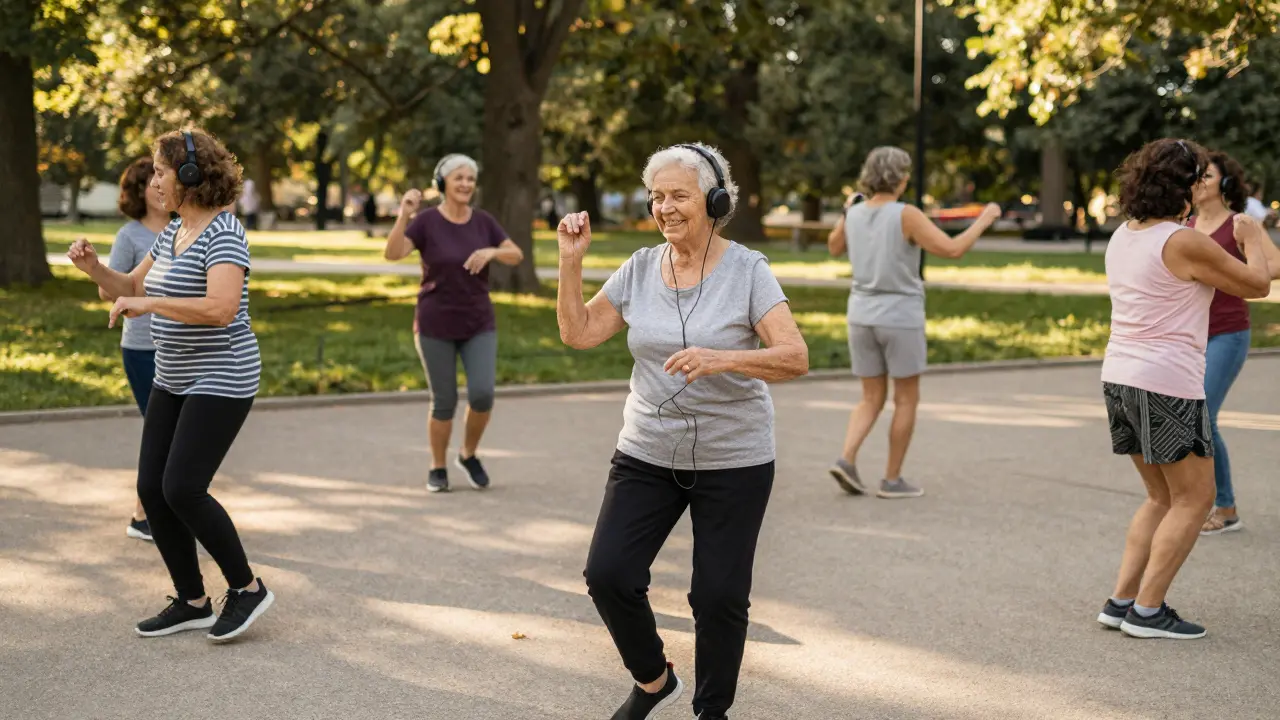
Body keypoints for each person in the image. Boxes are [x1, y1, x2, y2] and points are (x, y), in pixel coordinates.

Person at [557, 142, 809, 720]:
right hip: (647, 450)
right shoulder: (640, 268)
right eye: (657, 197)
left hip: (734, 459)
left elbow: (794, 356)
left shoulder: (748, 271)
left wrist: (723, 359)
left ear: (714, 201)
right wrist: (571, 262)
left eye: (679, 196)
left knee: (718, 597)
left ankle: (711, 713)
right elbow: (579, 333)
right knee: (609, 574)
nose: (665, 208)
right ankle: (653, 680)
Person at [66, 129, 274, 643]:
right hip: (174, 375)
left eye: (160, 170)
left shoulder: (224, 233)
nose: (153, 179)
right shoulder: (172, 232)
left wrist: (151, 305)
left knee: (182, 486)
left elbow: (222, 309)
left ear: (187, 176)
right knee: (151, 490)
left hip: (223, 375)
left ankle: (247, 589)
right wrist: (95, 269)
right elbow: (132, 287)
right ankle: (192, 600)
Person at [1094, 138, 1271, 640]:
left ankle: (1121, 601)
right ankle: (1148, 612)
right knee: (1195, 498)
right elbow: (1257, 284)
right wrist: (1253, 237)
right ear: (1188, 187)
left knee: (1159, 497)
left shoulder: (1124, 235)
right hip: (1166, 381)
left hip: (1121, 377)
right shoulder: (1183, 240)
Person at [824, 146, 1000, 499]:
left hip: (860, 315)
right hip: (899, 317)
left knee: (870, 398)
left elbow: (833, 247)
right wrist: (985, 218)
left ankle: (846, 458)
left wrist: (846, 214)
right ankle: (891, 479)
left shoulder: (854, 212)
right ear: (901, 179)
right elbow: (951, 249)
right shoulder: (906, 214)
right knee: (905, 399)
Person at [383, 154, 524, 493]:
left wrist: (491, 252)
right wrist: (404, 214)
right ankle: (437, 466)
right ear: (442, 182)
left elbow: (516, 254)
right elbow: (393, 253)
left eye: (470, 179)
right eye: (458, 177)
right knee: (444, 401)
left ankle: (468, 454)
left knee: (482, 394)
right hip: (435, 323)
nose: (465, 184)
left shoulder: (484, 222)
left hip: (478, 322)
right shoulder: (427, 221)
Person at [1191, 152, 1280, 535]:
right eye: (1195, 175)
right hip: (1190, 334)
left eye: (1207, 175)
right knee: (1193, 418)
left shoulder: (1240, 223)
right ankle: (1196, 501)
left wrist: (1234, 271)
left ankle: (1226, 508)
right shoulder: (1186, 224)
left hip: (1228, 331)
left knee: (1205, 415)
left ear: (1225, 183)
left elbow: (1274, 265)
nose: (1199, 181)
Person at [108, 157, 169, 543]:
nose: (160, 187)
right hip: (142, 348)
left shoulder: (186, 229)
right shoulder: (129, 237)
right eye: (152, 181)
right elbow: (113, 289)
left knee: (173, 433)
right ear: (139, 191)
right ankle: (144, 514)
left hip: (180, 347)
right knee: (161, 431)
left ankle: (155, 510)